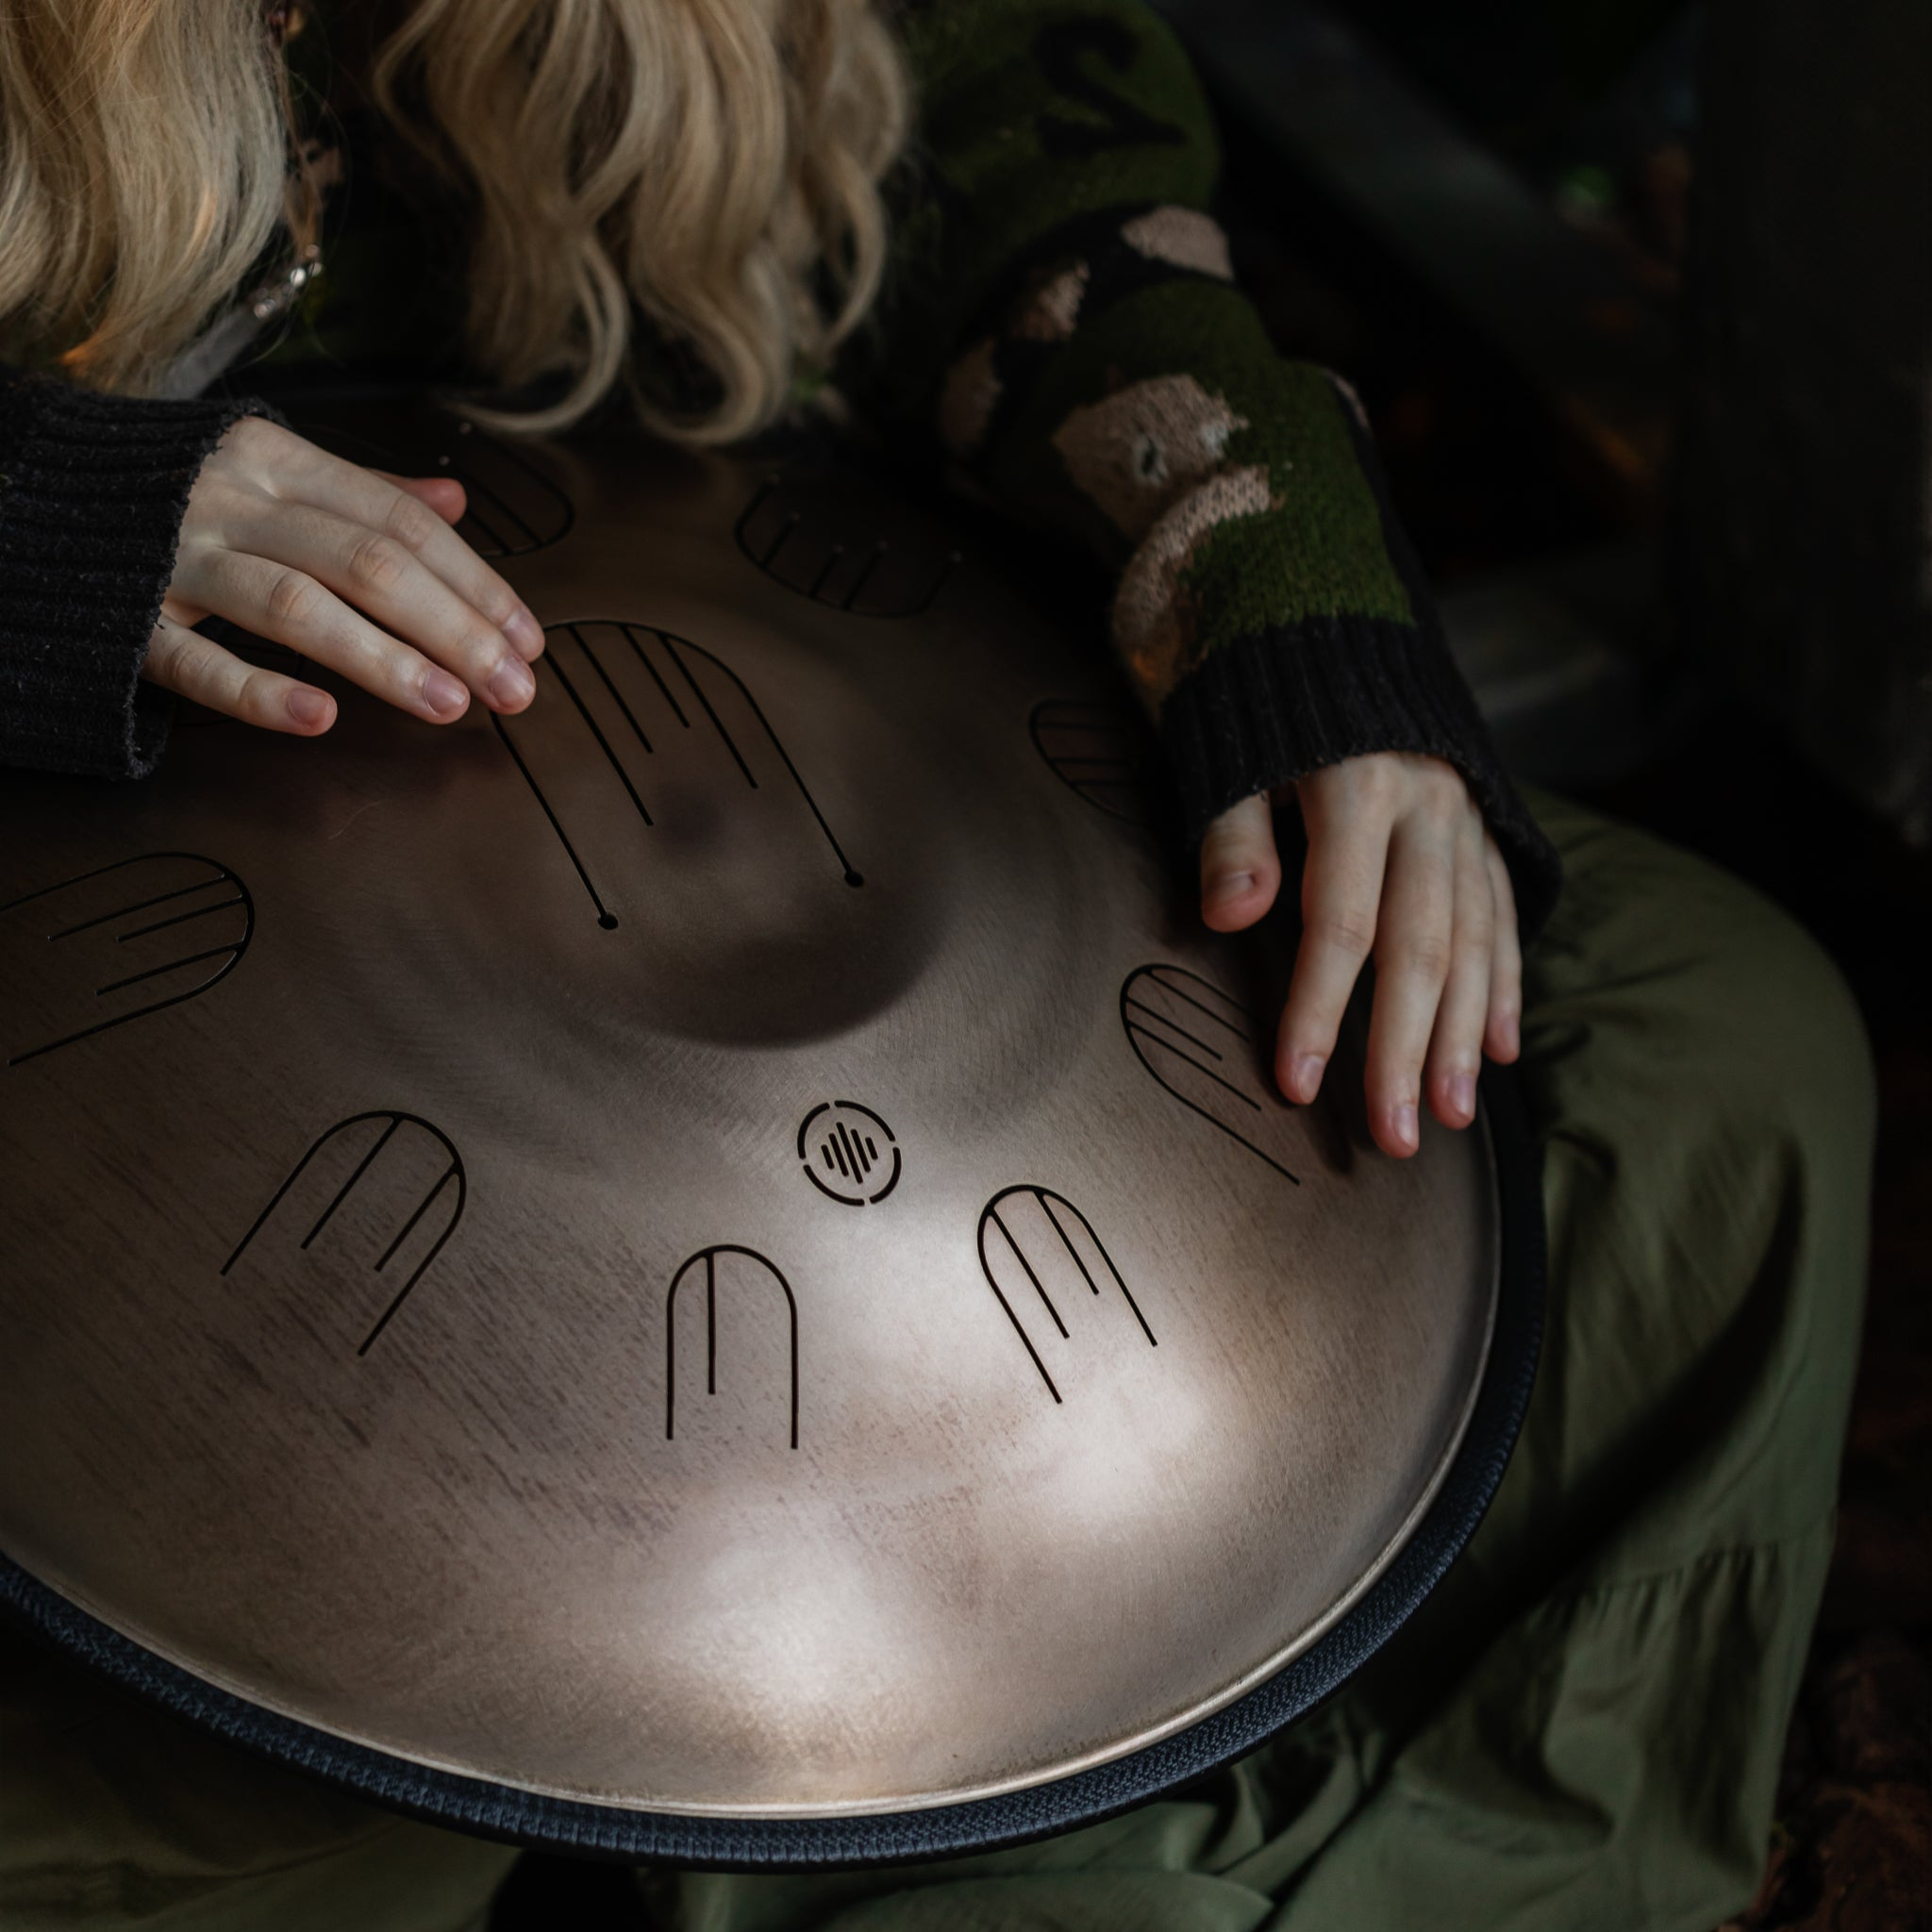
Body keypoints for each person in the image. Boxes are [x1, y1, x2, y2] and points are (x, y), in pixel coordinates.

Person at [0, 3, 1874, 1928]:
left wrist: (1268, 578)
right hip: (109, 887)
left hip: (792, 694)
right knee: (256, 1715)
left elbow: (1003, 119)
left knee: (1704, 1058)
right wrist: (43, 517)